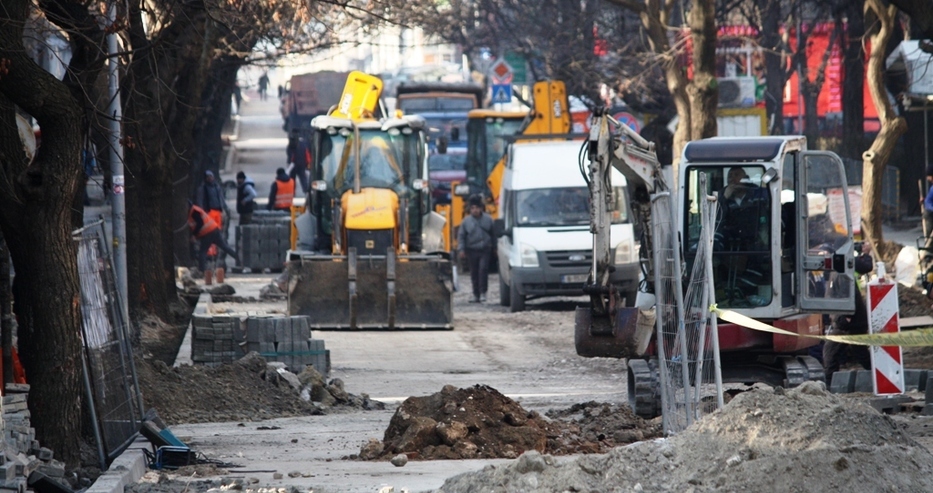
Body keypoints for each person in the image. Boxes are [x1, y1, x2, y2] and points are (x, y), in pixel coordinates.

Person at [822, 253, 874, 383]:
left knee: (831, 351)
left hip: (848, 322)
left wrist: (846, 317)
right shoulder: (839, 272)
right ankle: (878, 375)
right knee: (859, 353)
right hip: (848, 321)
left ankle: (829, 383)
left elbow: (850, 295)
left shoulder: (841, 274)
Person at [457, 195, 494, 303]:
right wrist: (461, 249)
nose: (475, 210)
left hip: (485, 250)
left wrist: (495, 248)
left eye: (477, 208)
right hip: (471, 250)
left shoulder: (488, 220)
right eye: (472, 208)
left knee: (483, 270)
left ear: (481, 208)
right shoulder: (466, 222)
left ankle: (483, 293)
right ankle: (476, 294)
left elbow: (493, 235)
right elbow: (461, 236)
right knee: (474, 273)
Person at [188, 201, 239, 273]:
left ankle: (202, 270)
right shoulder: (195, 209)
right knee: (224, 246)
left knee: (202, 251)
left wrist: (194, 235)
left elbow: (200, 223)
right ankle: (239, 259)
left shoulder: (194, 212)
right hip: (214, 229)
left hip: (208, 232)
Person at [195, 170, 229, 234]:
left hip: (218, 211)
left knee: (218, 228)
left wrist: (224, 208)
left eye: (211, 176)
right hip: (209, 212)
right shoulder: (202, 189)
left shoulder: (217, 187)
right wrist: (202, 212)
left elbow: (221, 198)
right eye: (208, 176)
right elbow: (200, 201)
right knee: (211, 229)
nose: (210, 178)